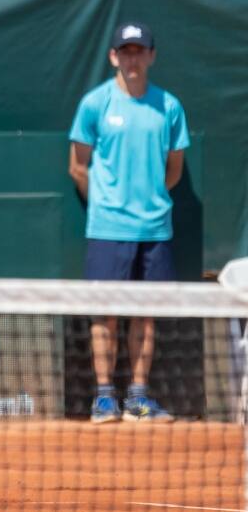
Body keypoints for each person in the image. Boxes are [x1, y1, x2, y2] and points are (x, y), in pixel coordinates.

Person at [68, 22, 189, 424]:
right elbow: (78, 167)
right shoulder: (94, 104)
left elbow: (174, 170)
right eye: (126, 51)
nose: (132, 58)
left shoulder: (169, 107)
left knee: (145, 313)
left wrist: (149, 200)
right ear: (113, 56)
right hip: (106, 230)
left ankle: (138, 397)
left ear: (151, 56)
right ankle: (104, 398)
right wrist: (108, 205)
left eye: (140, 51)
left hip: (155, 229)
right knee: (105, 314)